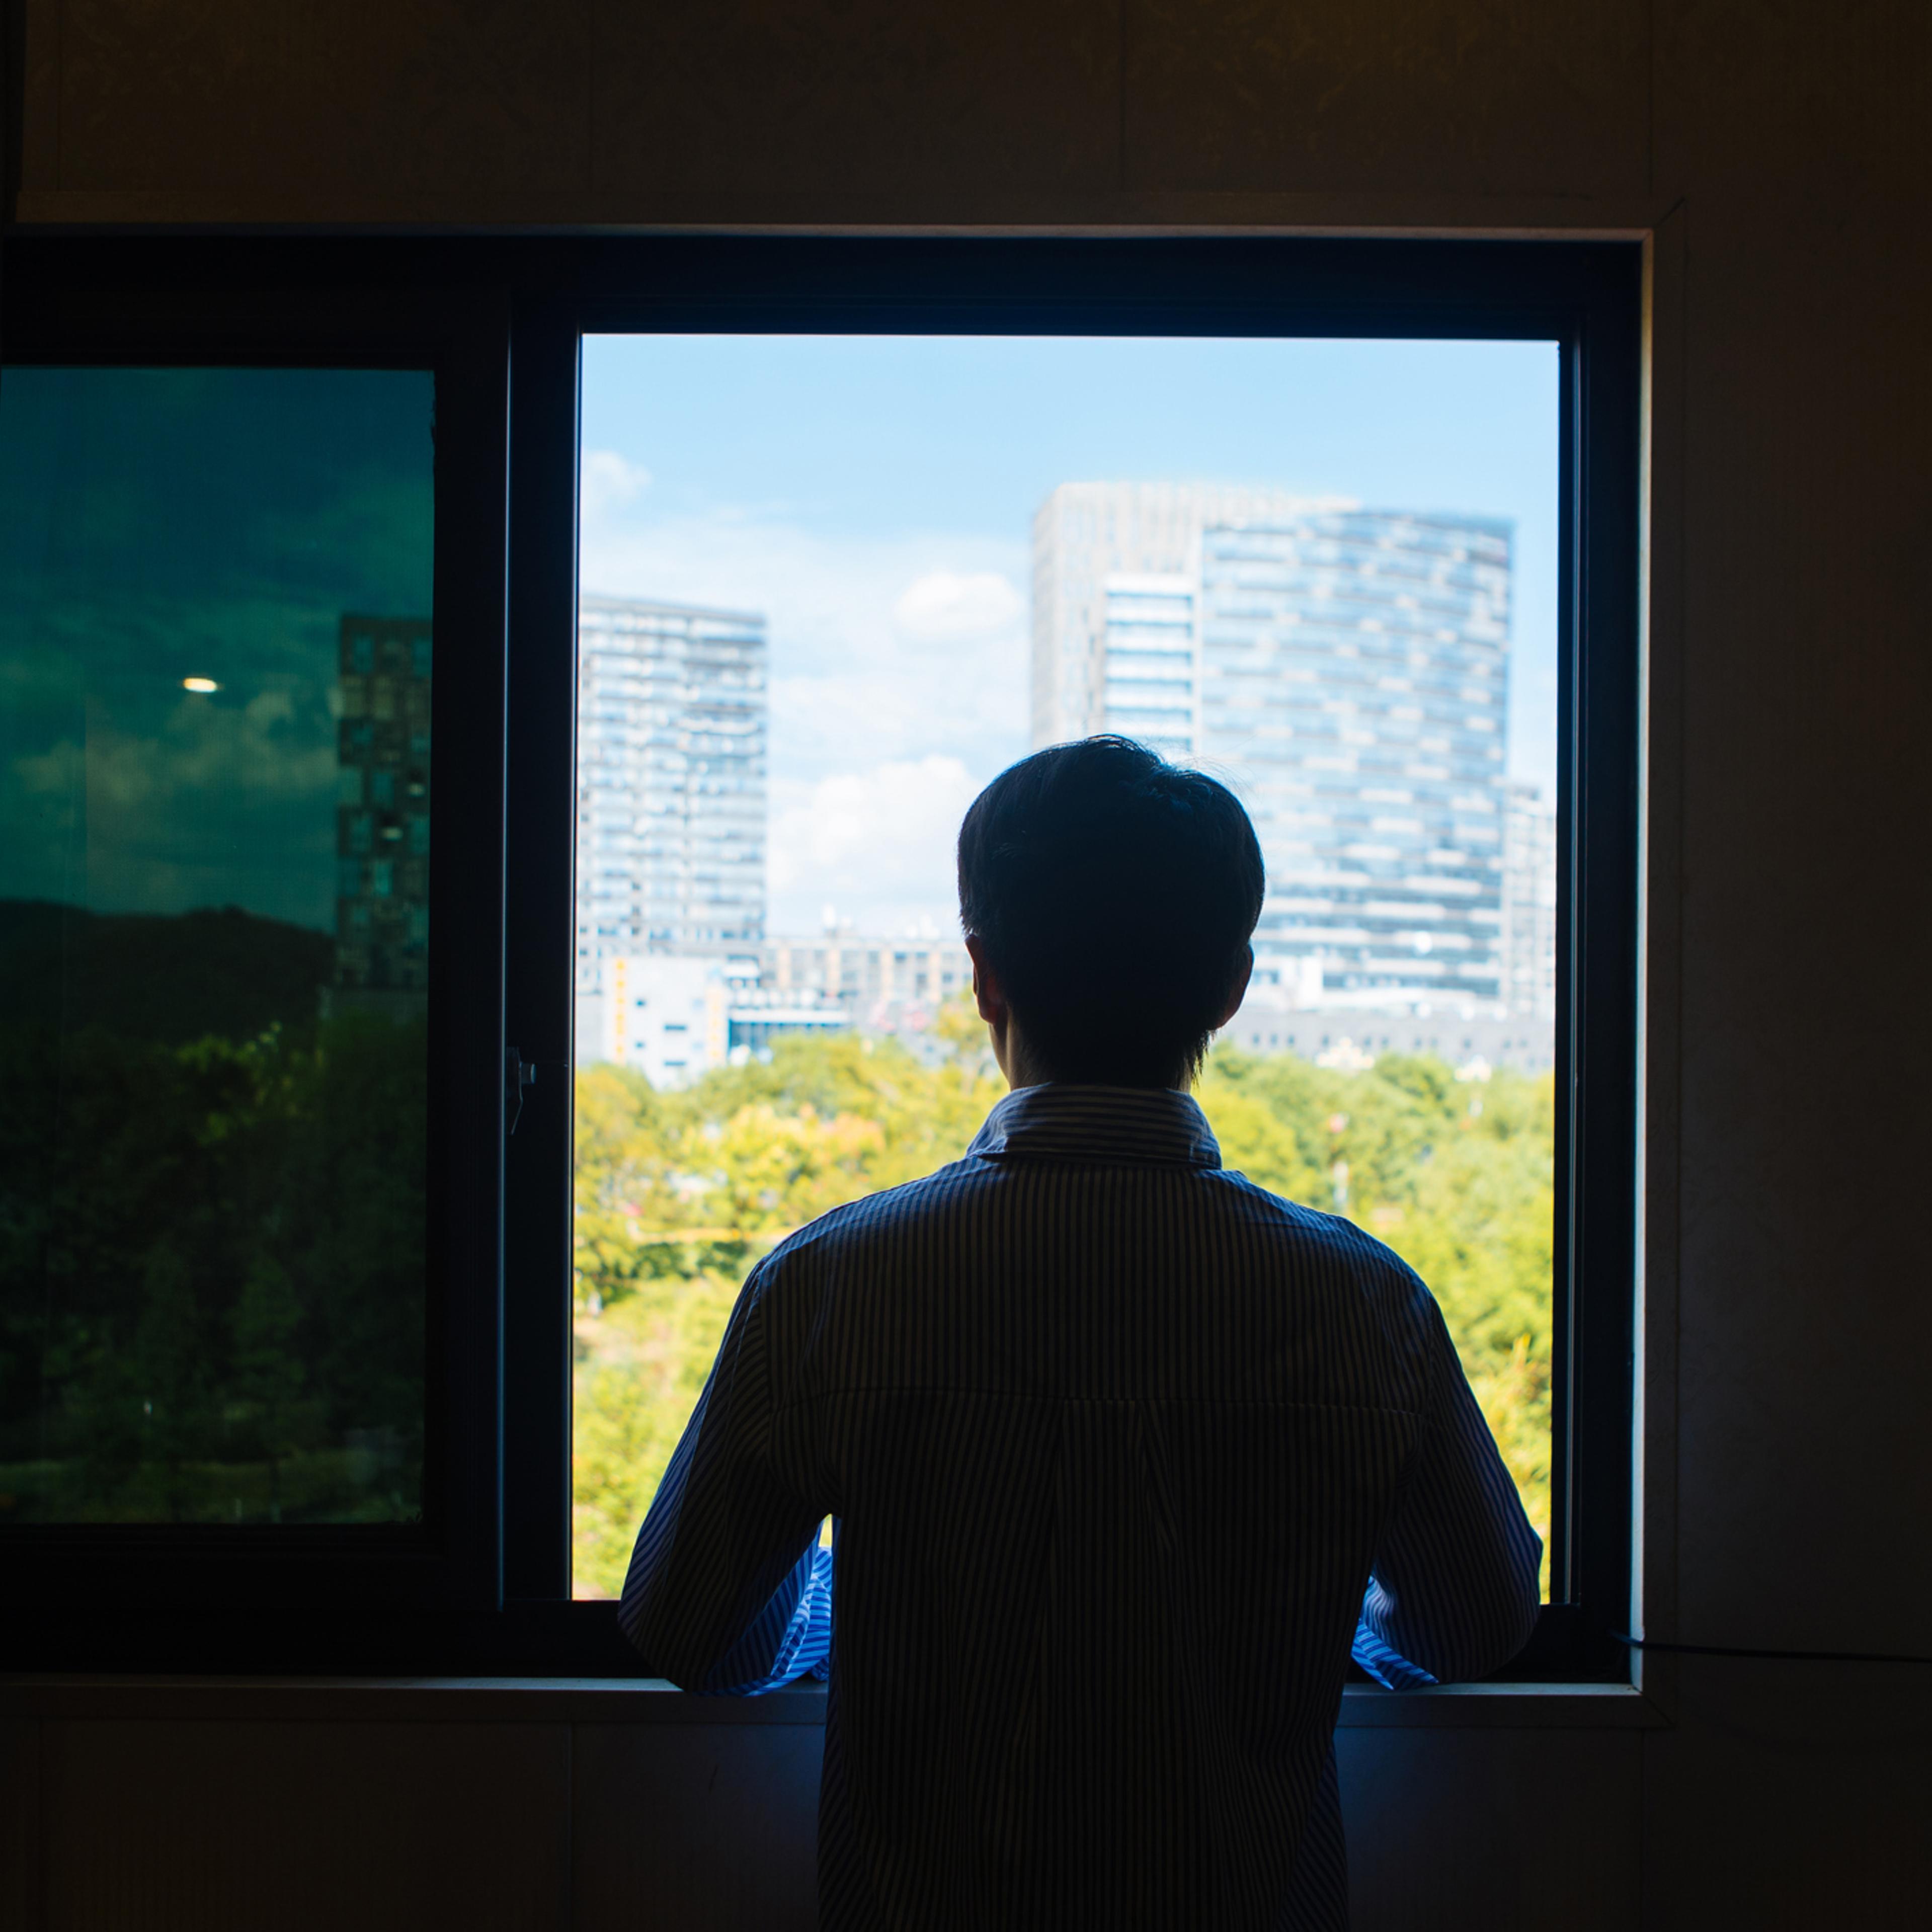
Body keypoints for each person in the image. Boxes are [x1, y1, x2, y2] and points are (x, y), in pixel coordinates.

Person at [619, 735, 1541, 1931]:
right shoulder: (1366, 1306)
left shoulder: (830, 1286)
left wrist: (860, 1598)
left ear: (984, 975)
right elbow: (1478, 1624)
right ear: (1232, 986)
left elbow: (696, 1634)